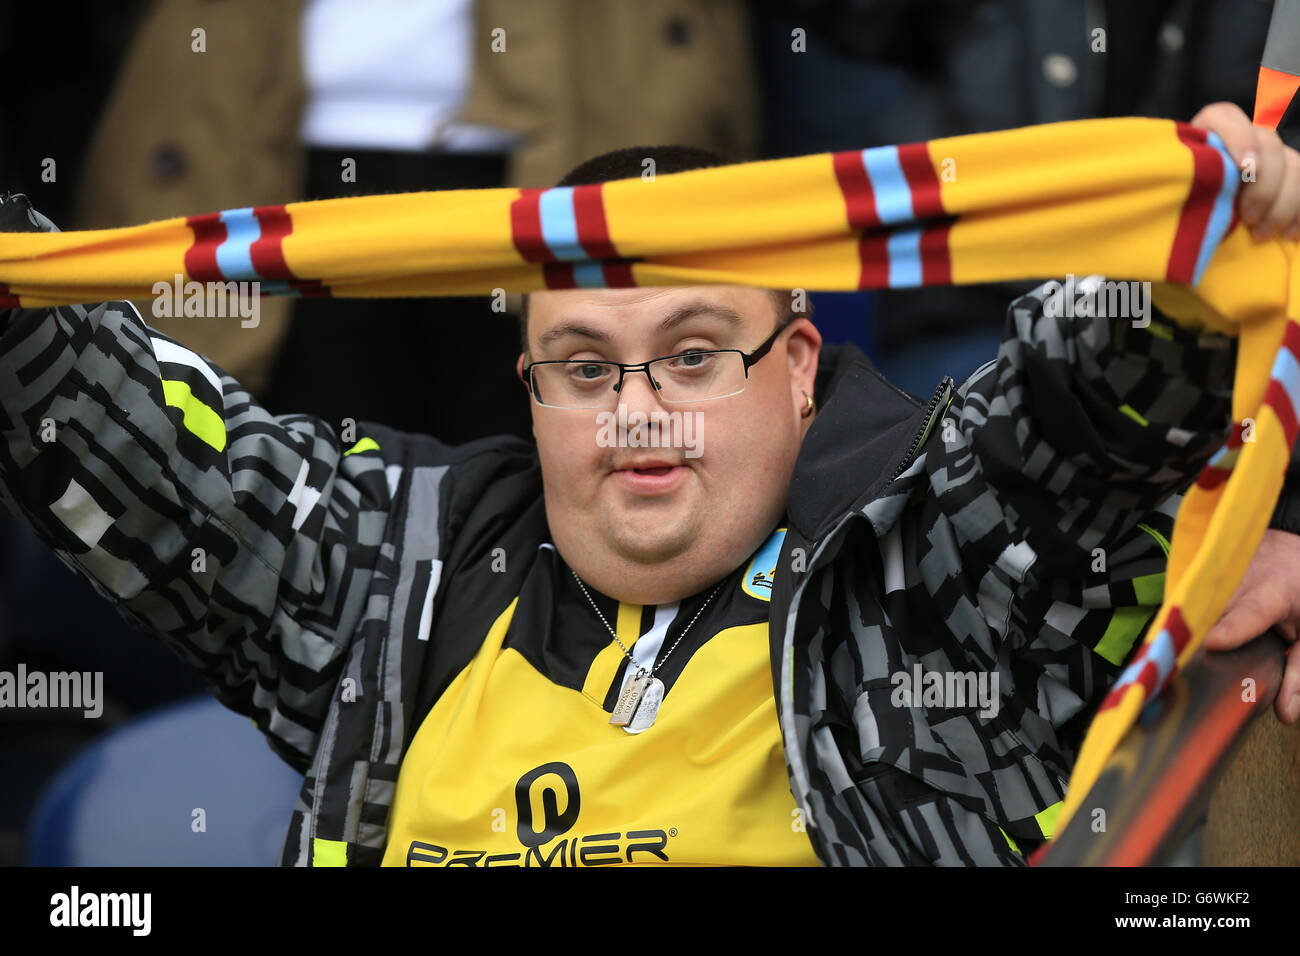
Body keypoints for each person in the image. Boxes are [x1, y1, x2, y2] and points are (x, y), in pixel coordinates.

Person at [0, 101, 1297, 867]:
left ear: (800, 368)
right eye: (582, 368)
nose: (633, 418)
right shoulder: (400, 566)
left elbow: (1094, 415)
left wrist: (1194, 253)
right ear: (528, 386)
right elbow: (87, 400)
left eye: (690, 357)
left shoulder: (936, 557)